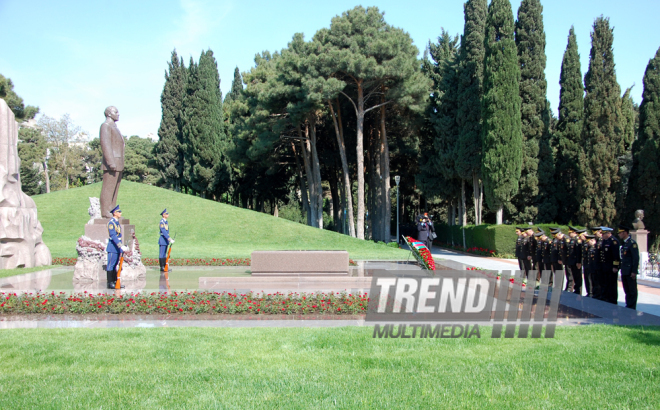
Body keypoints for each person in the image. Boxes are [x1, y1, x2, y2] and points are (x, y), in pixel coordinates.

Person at [99, 106, 125, 218]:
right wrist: (110, 162)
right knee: (108, 188)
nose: (118, 114)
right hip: (112, 163)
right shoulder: (105, 126)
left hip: (118, 162)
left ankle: (112, 210)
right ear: (109, 114)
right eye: (116, 112)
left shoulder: (114, 127)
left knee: (115, 189)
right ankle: (105, 211)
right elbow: (105, 145)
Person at [106, 205, 127, 289]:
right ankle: (110, 283)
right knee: (110, 265)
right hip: (112, 247)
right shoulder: (111, 223)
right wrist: (120, 245)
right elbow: (113, 236)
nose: (120, 213)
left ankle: (115, 281)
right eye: (119, 212)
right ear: (114, 213)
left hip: (117, 248)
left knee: (115, 265)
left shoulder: (116, 222)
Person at [618, 225, 639, 309]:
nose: (619, 234)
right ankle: (628, 304)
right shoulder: (625, 244)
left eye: (620, 233)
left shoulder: (632, 244)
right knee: (626, 290)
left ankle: (632, 306)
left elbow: (635, 258)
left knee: (632, 290)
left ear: (625, 233)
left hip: (630, 271)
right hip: (625, 270)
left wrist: (634, 271)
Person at [600, 226, 621, 305]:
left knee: (612, 284)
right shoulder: (605, 241)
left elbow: (616, 256)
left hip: (611, 267)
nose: (602, 235)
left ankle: (613, 299)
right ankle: (607, 297)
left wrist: (615, 266)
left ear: (608, 233)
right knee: (606, 283)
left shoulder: (613, 241)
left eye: (604, 234)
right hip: (605, 266)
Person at [566, 226, 585, 294]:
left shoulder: (577, 240)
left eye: (570, 233)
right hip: (572, 261)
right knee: (574, 275)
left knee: (578, 276)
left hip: (576, 261)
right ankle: (576, 289)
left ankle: (578, 290)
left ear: (574, 233)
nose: (569, 234)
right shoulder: (571, 240)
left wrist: (578, 262)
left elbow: (578, 252)